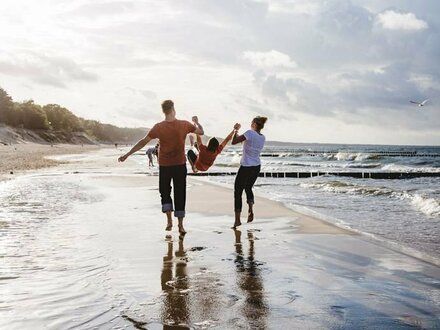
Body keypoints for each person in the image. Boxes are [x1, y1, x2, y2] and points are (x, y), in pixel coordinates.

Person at [118, 100, 204, 234]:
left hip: (165, 166)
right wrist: (196, 122)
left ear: (163, 111)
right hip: (179, 165)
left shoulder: (158, 127)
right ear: (173, 109)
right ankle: (180, 226)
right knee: (180, 193)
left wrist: (128, 154)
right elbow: (201, 132)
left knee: (165, 192)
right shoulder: (184, 124)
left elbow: (143, 142)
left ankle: (169, 221)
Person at [231, 116, 267, 229]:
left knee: (238, 192)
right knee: (248, 188)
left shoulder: (250, 133)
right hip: (256, 166)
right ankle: (250, 210)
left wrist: (235, 130)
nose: (250, 123)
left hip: (246, 166)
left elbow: (234, 142)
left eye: (252, 122)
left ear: (255, 124)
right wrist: (237, 134)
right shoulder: (262, 137)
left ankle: (237, 220)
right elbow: (244, 142)